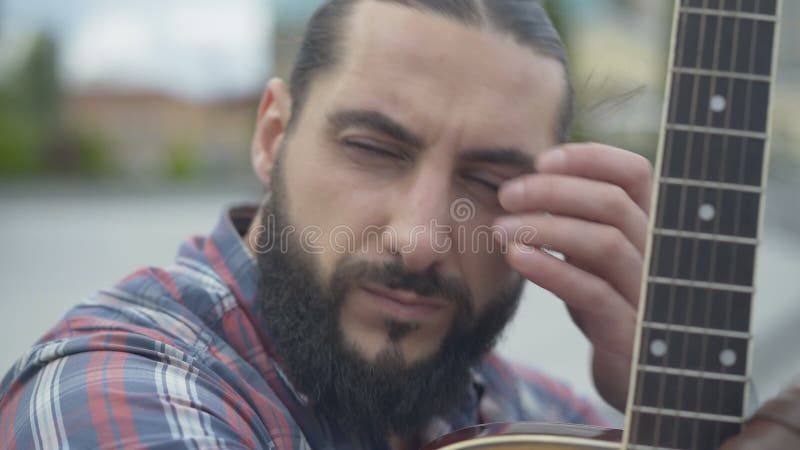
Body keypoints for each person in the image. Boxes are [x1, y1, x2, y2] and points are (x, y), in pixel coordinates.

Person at [0, 1, 796, 449]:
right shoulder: (109, 389)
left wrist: (692, 413)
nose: (421, 240)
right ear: (273, 134)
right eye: (375, 150)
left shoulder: (539, 417)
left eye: (491, 181)